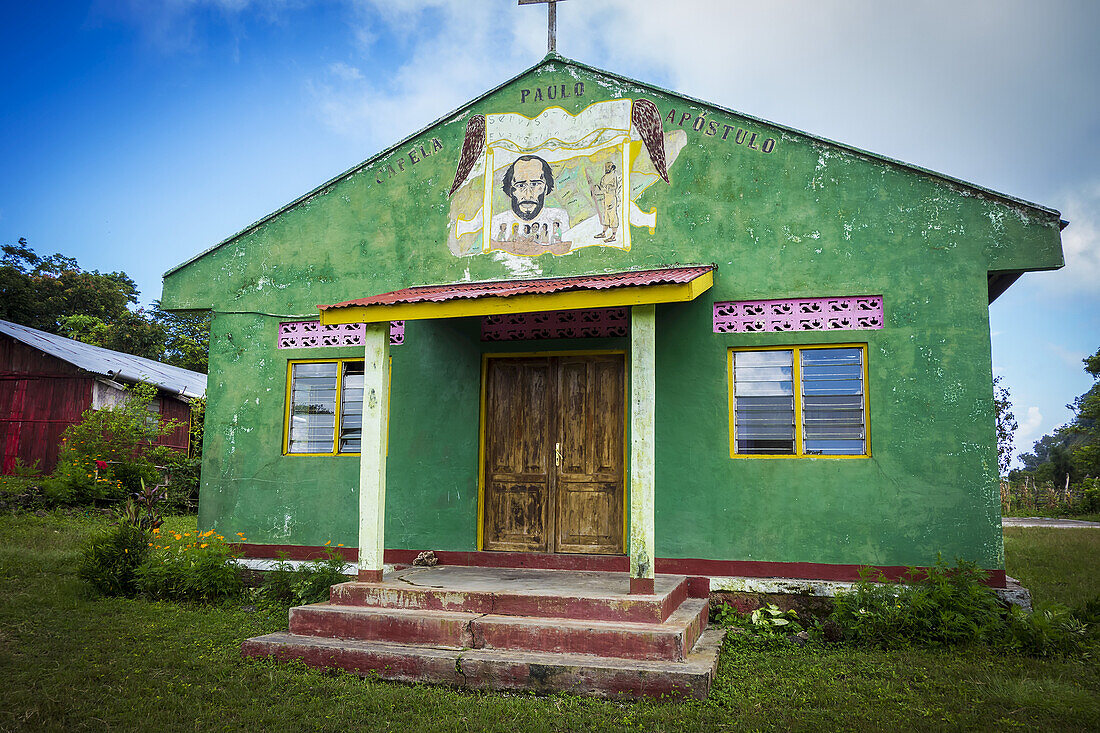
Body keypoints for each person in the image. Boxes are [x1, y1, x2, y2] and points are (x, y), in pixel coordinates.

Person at [592, 161, 622, 243]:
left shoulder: (614, 175)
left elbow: (614, 187)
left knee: (612, 216)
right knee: (606, 216)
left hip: (612, 198)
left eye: (609, 167)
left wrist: (606, 188)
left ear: (612, 167)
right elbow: (602, 189)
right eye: (606, 167)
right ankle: (603, 233)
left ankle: (613, 236)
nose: (607, 168)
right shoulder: (604, 177)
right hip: (605, 199)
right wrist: (595, 190)